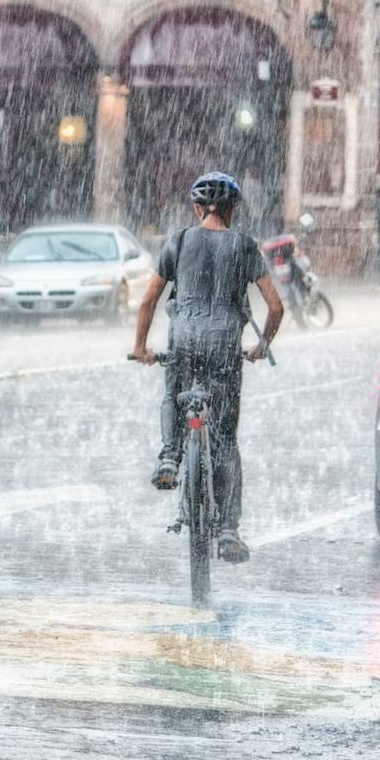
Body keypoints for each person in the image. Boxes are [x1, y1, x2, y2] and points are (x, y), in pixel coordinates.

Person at [132, 171, 284, 564]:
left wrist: (140, 347)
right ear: (232, 210)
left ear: (197, 208)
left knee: (173, 392)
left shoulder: (179, 241)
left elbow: (148, 301)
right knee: (225, 442)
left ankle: (169, 456)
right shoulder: (246, 246)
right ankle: (229, 530)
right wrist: (261, 345)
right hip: (224, 347)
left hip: (183, 341)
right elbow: (276, 306)